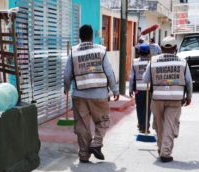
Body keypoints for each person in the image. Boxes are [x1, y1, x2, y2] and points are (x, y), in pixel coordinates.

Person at [64, 24, 119, 163]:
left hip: (79, 95)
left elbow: (66, 74)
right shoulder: (101, 50)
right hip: (99, 95)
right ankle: (96, 144)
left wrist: (66, 88)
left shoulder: (73, 52)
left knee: (82, 125)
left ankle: (83, 155)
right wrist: (115, 89)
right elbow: (109, 72)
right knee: (103, 120)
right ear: (92, 37)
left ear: (80, 37)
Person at [143, 36, 192, 162]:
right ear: (175, 48)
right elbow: (188, 82)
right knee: (170, 125)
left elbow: (145, 79)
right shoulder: (182, 62)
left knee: (160, 125)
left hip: (157, 98)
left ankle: (161, 148)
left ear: (162, 48)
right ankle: (165, 152)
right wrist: (189, 96)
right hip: (175, 98)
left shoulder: (153, 61)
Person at [129, 44, 151, 133]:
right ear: (148, 52)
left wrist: (130, 89)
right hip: (149, 89)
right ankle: (145, 126)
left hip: (138, 89)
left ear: (139, 52)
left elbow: (131, 77)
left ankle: (141, 125)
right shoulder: (151, 61)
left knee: (140, 108)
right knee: (148, 109)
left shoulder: (135, 62)